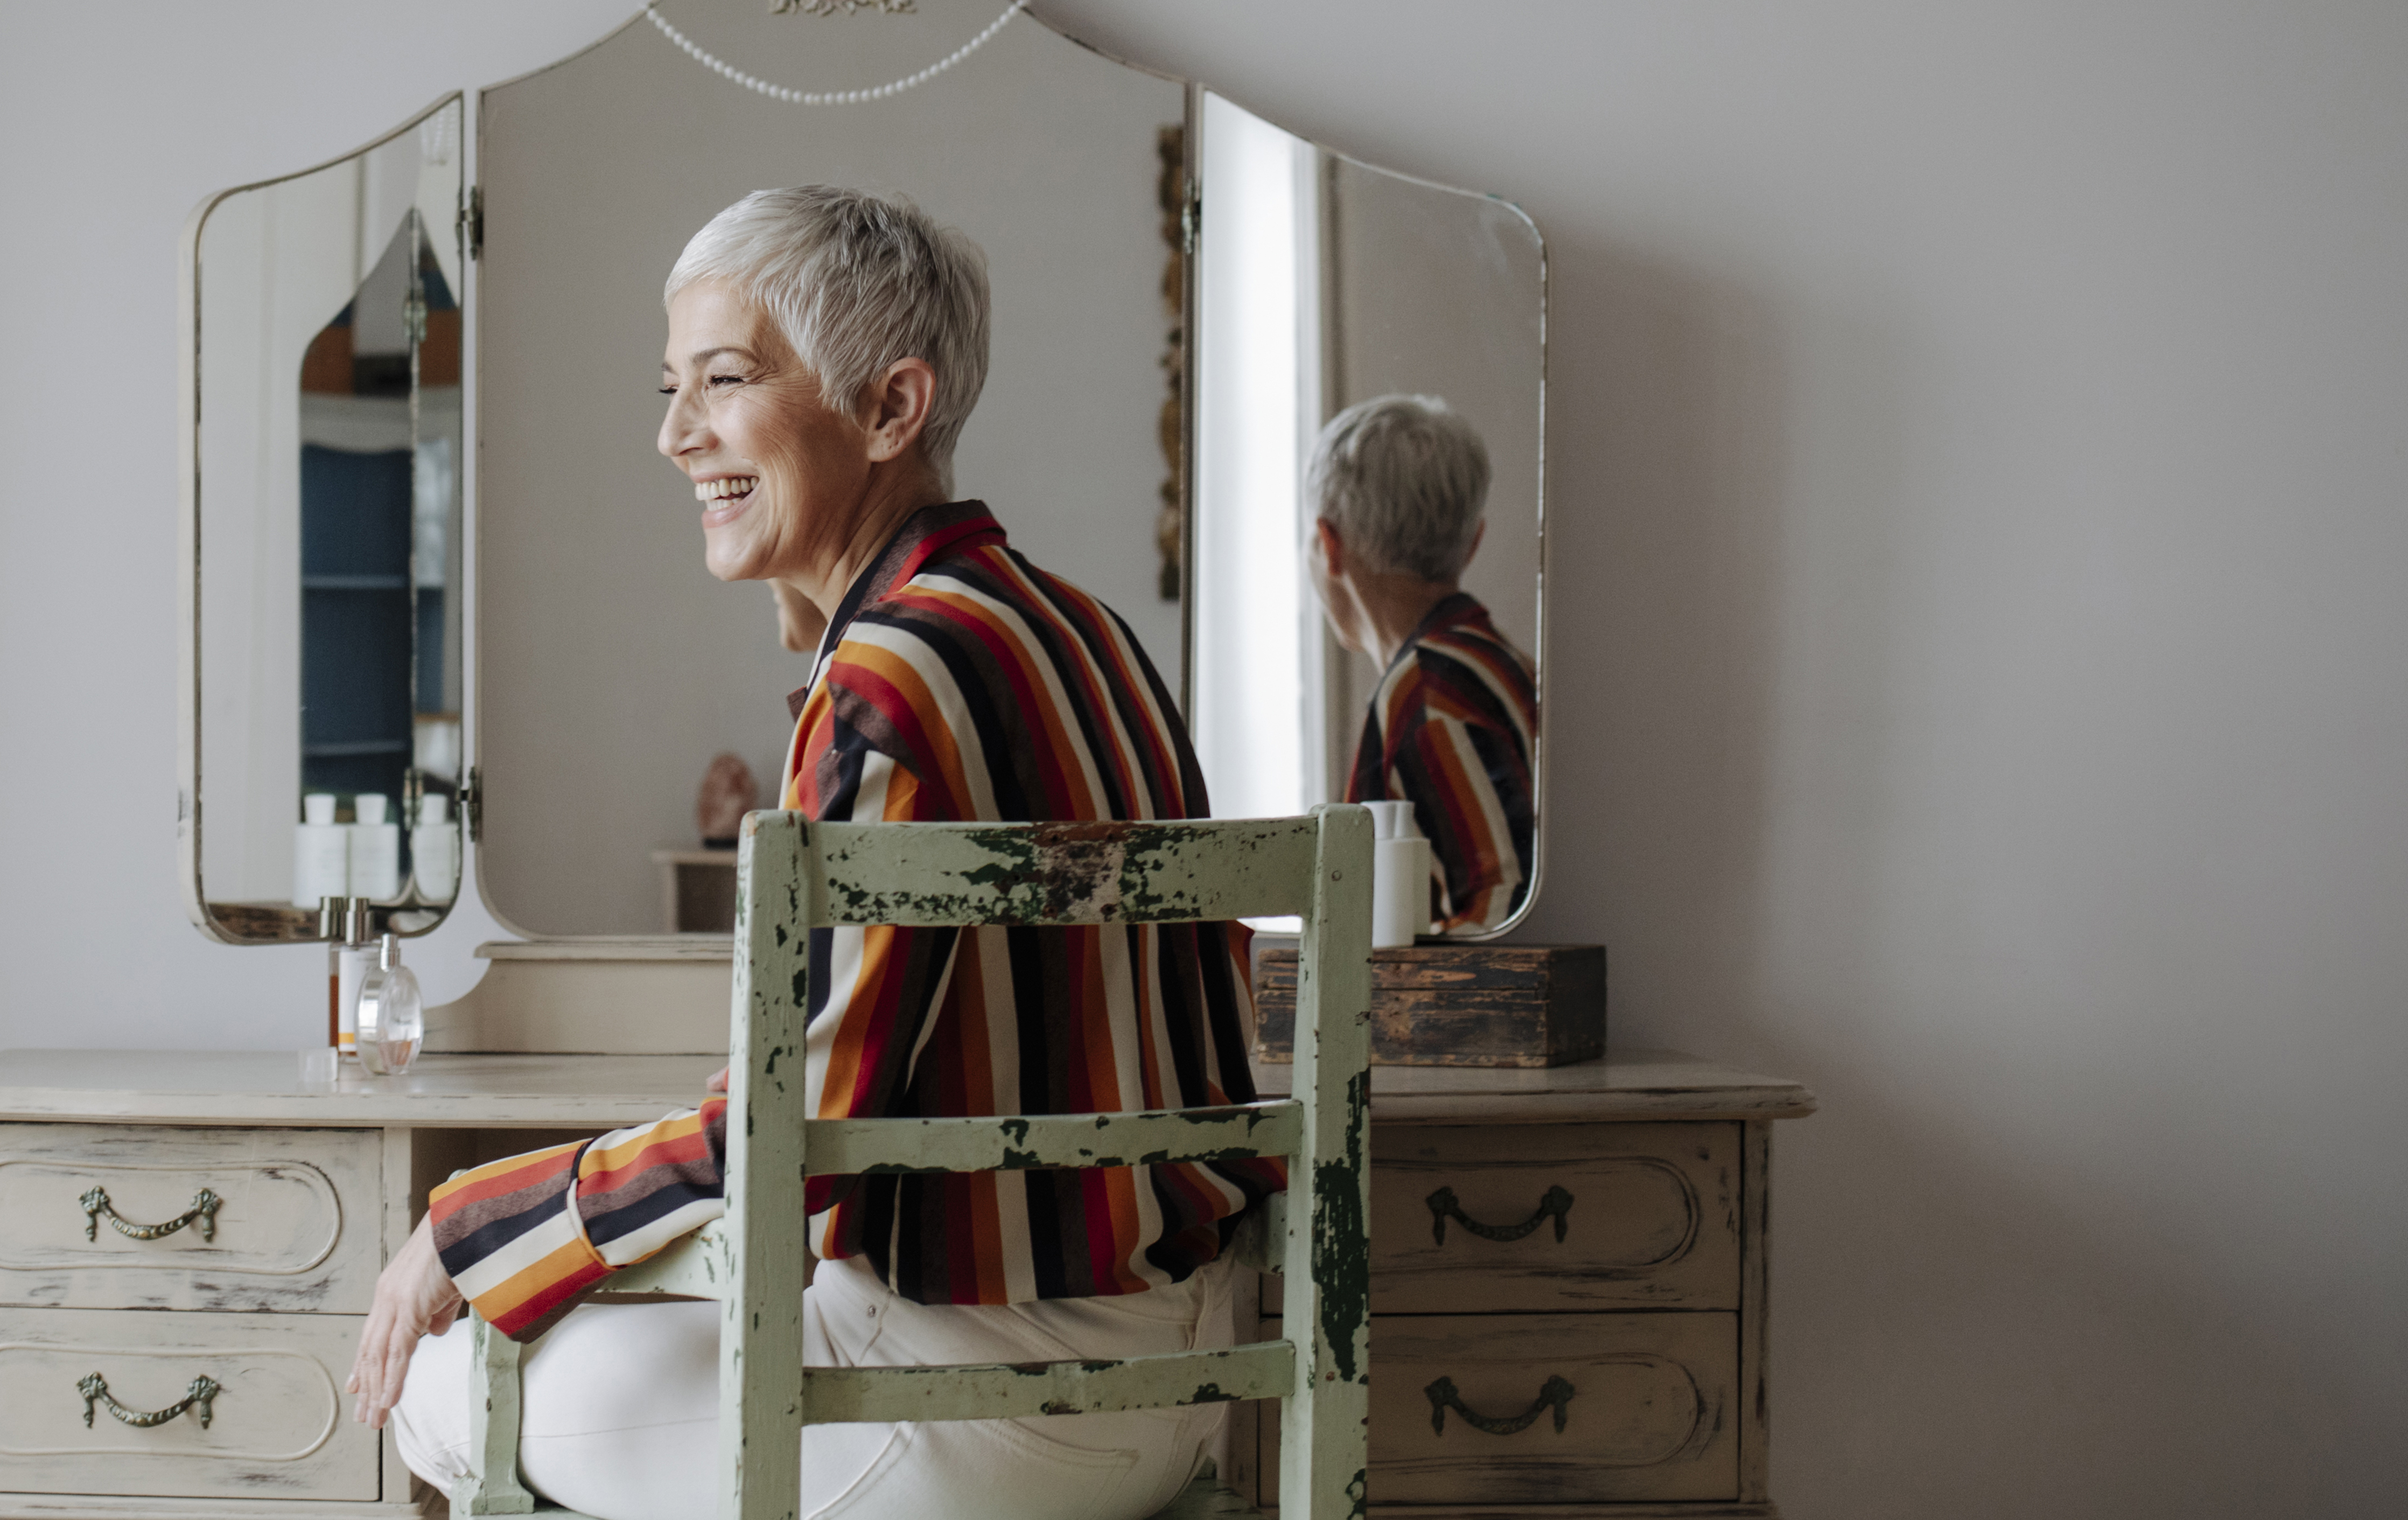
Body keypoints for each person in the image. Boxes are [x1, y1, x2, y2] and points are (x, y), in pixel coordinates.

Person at [352, 185, 1269, 1520]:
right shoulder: (1091, 635)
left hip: (989, 1404)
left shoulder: (889, 681)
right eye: (672, 388)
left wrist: (468, 1225)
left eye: (724, 381)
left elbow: (790, 1140)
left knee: (444, 1368)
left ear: (893, 410)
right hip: (1198, 1373)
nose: (674, 435)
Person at [1305, 394, 1542, 936]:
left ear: (1329, 544)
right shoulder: (1504, 665)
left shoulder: (1429, 691)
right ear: (1474, 542)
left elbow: (1502, 923)